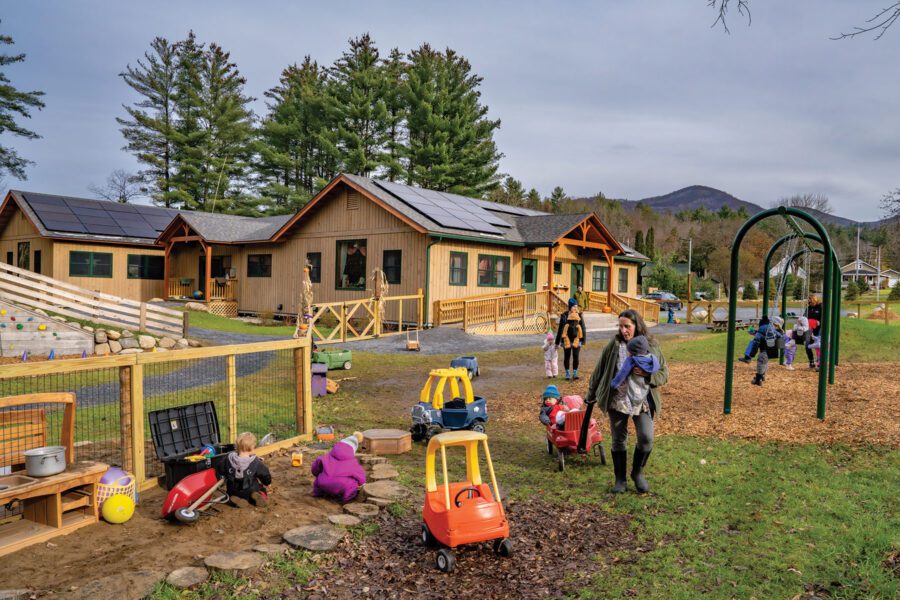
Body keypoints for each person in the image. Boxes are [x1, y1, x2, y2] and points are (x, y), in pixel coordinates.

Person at [586, 309, 667, 494]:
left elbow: (664, 373)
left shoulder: (651, 345)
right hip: (618, 399)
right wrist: (591, 393)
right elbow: (599, 371)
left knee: (646, 438)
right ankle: (620, 479)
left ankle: (637, 473)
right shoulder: (614, 345)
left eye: (627, 326)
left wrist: (648, 376)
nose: (623, 330)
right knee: (618, 440)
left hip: (642, 400)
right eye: (620, 326)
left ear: (636, 325)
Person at [216, 432, 272, 507]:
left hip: (233, 490)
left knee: (230, 494)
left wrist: (227, 473)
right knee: (261, 489)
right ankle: (259, 495)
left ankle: (234, 499)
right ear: (252, 447)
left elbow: (220, 469)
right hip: (251, 489)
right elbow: (264, 474)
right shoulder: (255, 462)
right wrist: (268, 482)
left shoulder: (228, 458)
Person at [609, 336, 661, 414]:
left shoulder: (631, 360)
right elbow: (657, 367)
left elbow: (622, 373)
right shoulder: (652, 358)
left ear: (634, 352)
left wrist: (614, 384)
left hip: (632, 388)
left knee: (633, 394)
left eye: (629, 350)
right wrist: (647, 373)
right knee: (640, 393)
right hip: (645, 387)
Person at [311, 432, 367, 503]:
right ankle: (346, 500)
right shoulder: (352, 462)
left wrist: (317, 474)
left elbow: (315, 468)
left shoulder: (327, 456)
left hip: (323, 483)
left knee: (320, 478)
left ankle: (318, 493)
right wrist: (363, 483)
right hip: (339, 487)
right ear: (352, 450)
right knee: (353, 484)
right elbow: (361, 476)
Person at [555, 299, 586, 380]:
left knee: (576, 356)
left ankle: (575, 373)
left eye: (576, 306)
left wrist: (583, 340)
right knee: (567, 356)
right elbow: (560, 329)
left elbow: (583, 328)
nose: (575, 308)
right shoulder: (564, 315)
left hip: (576, 339)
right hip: (566, 339)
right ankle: (567, 373)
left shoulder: (579, 315)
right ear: (570, 307)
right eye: (574, 306)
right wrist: (557, 342)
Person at [751, 316, 784, 386]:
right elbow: (780, 337)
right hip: (770, 350)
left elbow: (756, 341)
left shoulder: (766, 330)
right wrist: (781, 333)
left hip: (764, 349)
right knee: (765, 363)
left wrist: (753, 352)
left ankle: (758, 379)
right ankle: (762, 376)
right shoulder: (772, 330)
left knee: (761, 363)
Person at [804, 295, 822, 369]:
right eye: (809, 302)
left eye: (811, 301)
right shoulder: (808, 308)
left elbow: (824, 317)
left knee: (818, 346)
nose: (810, 303)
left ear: (815, 300)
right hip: (810, 329)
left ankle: (819, 362)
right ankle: (811, 361)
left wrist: (819, 322)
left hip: (819, 329)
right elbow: (804, 317)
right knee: (807, 345)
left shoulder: (820, 307)